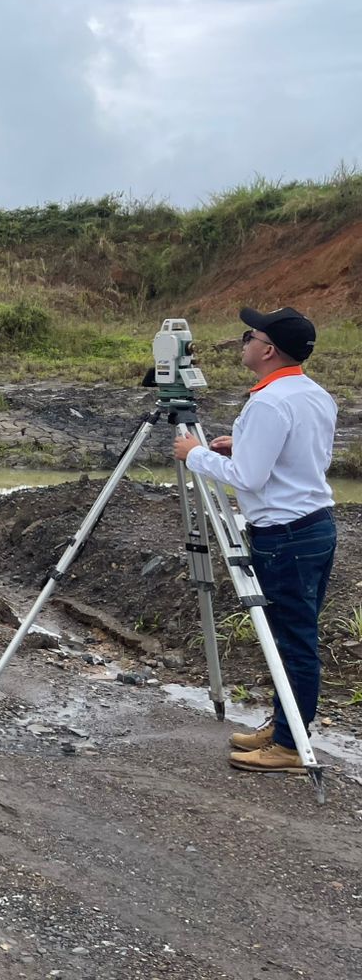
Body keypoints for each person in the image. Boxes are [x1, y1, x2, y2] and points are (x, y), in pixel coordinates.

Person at [172, 306, 336, 775]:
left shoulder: (267, 403)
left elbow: (249, 479)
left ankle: (289, 746)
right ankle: (286, 727)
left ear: (268, 351)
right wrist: (241, 446)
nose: (244, 342)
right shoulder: (314, 393)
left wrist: (195, 454)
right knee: (294, 636)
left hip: (284, 537)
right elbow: (298, 458)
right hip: (314, 526)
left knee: (293, 641)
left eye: (250, 336)